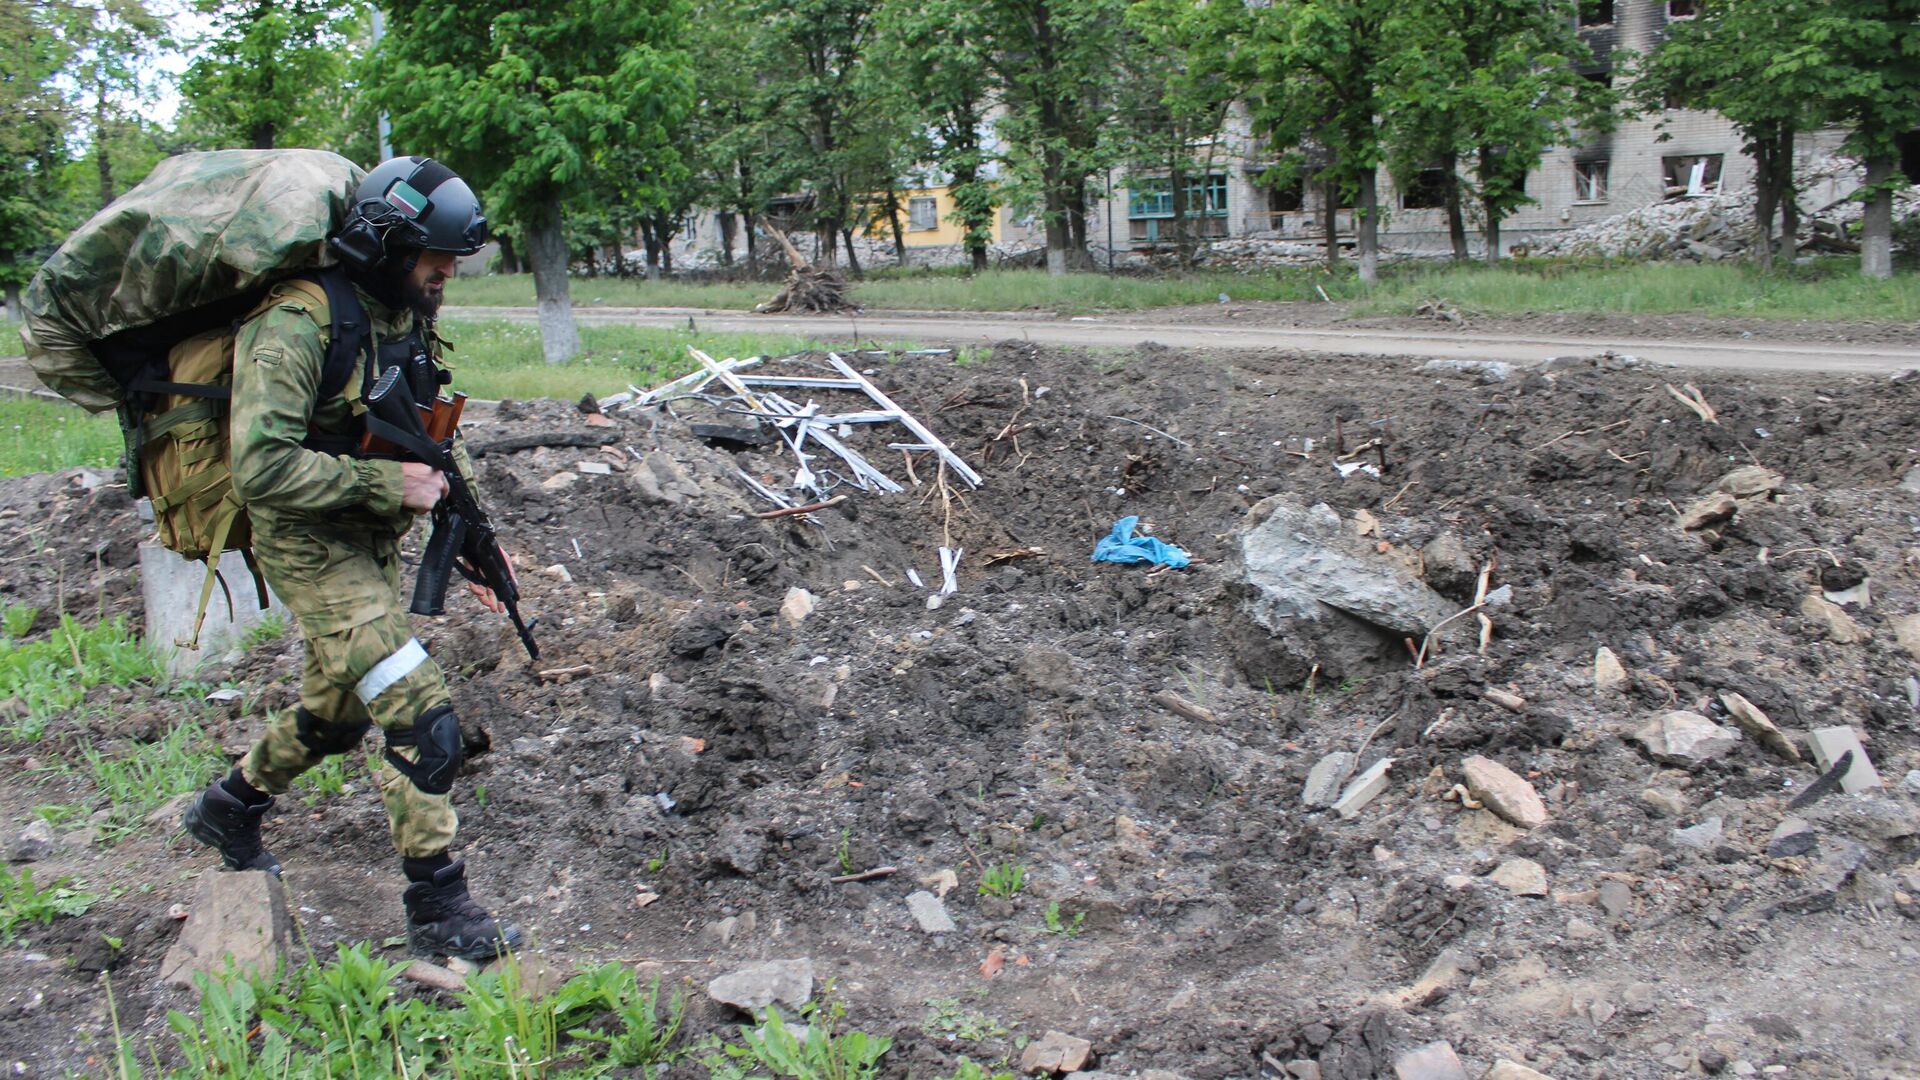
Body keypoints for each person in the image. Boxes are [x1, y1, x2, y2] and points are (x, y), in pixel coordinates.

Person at [181, 156, 523, 962]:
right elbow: (259, 468)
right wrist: (381, 482)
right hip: (306, 543)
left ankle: (231, 804)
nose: (447, 272)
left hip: (367, 544)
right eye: (434, 257)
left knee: (335, 716)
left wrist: (476, 536)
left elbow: (426, 437)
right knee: (417, 707)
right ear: (384, 246)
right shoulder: (296, 324)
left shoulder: (401, 317)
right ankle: (439, 908)